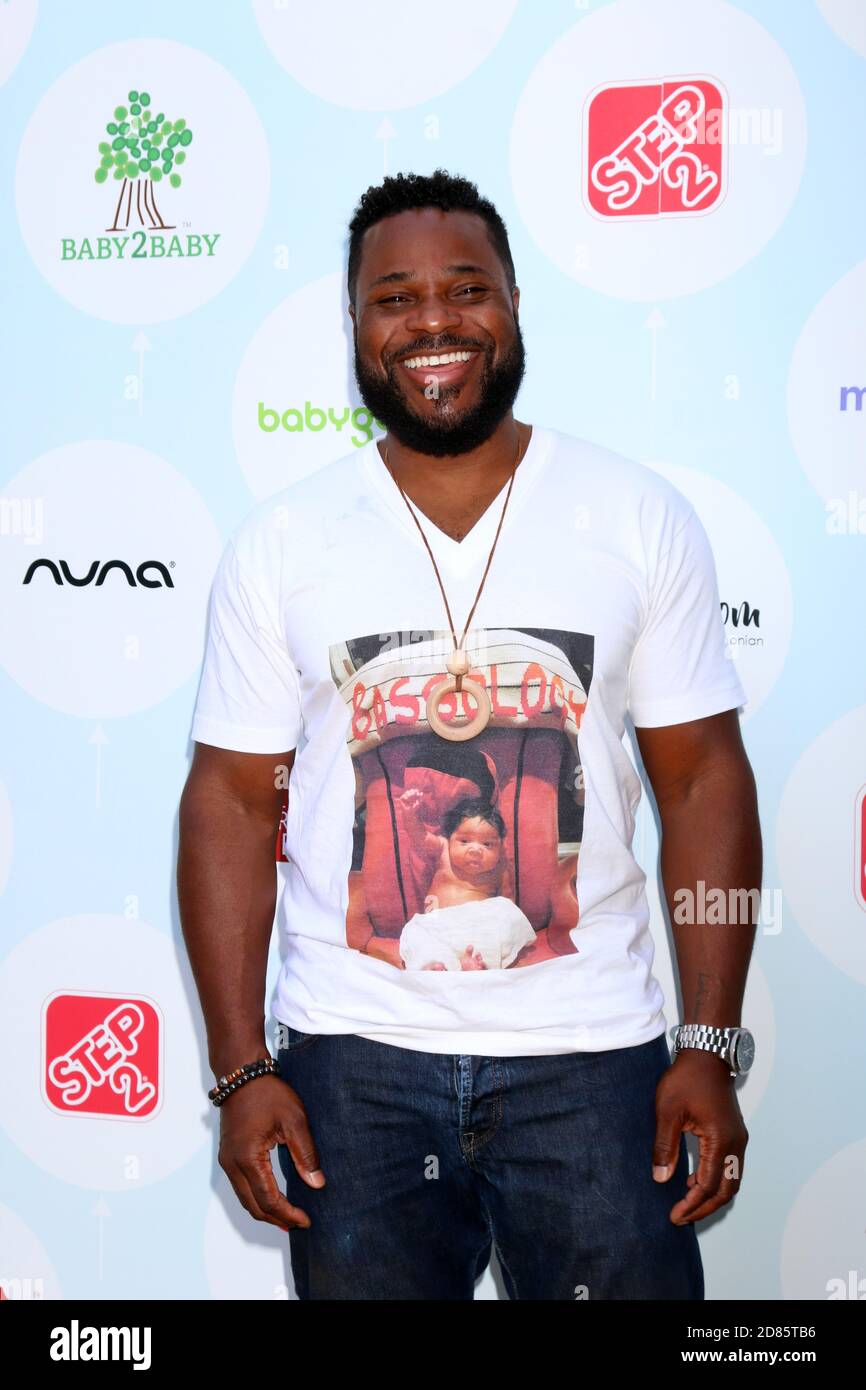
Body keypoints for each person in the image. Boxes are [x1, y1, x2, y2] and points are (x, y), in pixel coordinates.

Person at [177, 168, 761, 1301]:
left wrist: (710, 1041)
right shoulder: (283, 539)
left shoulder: (634, 514)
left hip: (593, 1059)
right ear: (352, 328)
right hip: (352, 1065)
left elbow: (700, 786)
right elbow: (231, 804)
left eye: (465, 289)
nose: (433, 321)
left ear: (513, 306)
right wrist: (239, 1065)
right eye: (393, 298)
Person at [397, 797, 538, 971]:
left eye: (487, 844)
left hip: (477, 925)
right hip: (438, 924)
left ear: (500, 848)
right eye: (464, 841)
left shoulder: (499, 868)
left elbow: (508, 902)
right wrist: (410, 814)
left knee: (506, 909)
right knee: (417, 933)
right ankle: (435, 966)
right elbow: (419, 836)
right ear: (449, 838)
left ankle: (476, 964)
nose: (475, 850)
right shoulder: (443, 849)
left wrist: (506, 916)